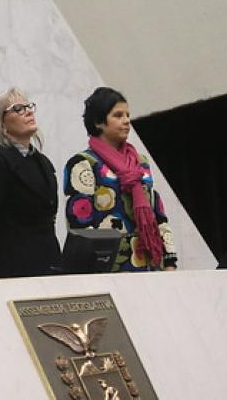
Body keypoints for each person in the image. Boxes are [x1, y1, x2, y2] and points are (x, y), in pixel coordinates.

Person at [64, 87, 177, 271]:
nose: (126, 121)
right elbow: (79, 224)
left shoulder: (140, 162)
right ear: (98, 122)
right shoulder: (84, 163)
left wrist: (170, 262)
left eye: (127, 115)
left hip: (149, 266)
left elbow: (157, 213)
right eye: (118, 115)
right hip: (107, 269)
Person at [0, 88, 59, 279]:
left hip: (47, 266)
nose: (28, 112)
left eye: (29, 106)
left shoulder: (42, 162)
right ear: (1, 123)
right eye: (18, 109)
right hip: (11, 269)